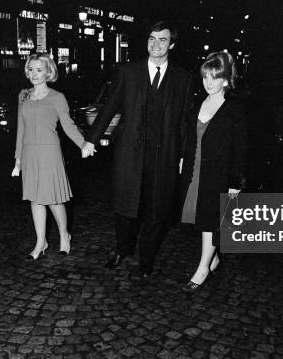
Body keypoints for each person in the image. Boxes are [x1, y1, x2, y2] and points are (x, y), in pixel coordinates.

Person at [82, 20, 193, 277]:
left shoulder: (183, 79)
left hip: (164, 155)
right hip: (130, 153)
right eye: (152, 38)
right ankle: (122, 249)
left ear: (172, 44)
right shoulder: (129, 72)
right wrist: (92, 139)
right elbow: (110, 106)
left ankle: (146, 258)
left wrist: (184, 156)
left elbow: (185, 121)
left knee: (157, 210)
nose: (156, 44)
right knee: (125, 206)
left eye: (162, 39)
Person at [179, 51, 248, 292]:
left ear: (226, 80)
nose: (209, 82)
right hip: (195, 170)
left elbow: (240, 148)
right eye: (206, 76)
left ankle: (203, 268)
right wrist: (182, 159)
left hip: (217, 174)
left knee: (209, 221)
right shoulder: (198, 104)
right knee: (199, 219)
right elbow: (189, 137)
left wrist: (235, 181)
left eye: (215, 77)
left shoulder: (233, 109)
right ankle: (214, 258)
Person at [12, 53, 89, 260]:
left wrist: (83, 143)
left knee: (54, 198)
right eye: (30, 69)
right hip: (29, 153)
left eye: (39, 70)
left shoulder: (57, 97)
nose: (34, 74)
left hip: (49, 153)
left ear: (48, 72)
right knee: (35, 200)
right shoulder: (23, 96)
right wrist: (18, 159)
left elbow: (68, 125)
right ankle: (41, 242)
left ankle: (64, 235)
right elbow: (21, 129)